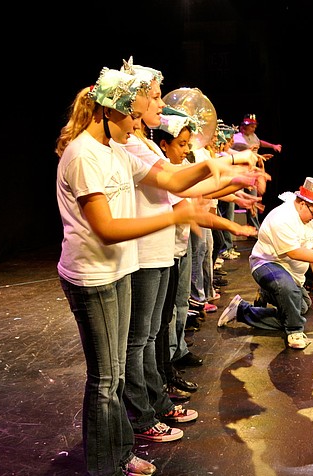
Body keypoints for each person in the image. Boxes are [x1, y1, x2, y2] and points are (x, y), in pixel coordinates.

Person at [55, 63, 228, 476]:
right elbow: (106, 229)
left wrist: (225, 166)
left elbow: (169, 178)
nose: (138, 122)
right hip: (93, 277)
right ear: (108, 111)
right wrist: (176, 215)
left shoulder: (115, 149)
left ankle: (119, 453)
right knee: (106, 380)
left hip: (117, 272)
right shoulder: (83, 155)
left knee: (113, 377)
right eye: (132, 113)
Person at [118, 66, 263, 444]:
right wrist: (228, 165)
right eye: (153, 95)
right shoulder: (129, 146)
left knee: (152, 335)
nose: (158, 102)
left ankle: (155, 398)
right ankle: (143, 411)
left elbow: (180, 182)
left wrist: (232, 173)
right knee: (140, 341)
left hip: (161, 250)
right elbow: (177, 183)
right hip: (145, 254)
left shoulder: (145, 145)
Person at [217, 178, 313, 350]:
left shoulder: (312, 218)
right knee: (290, 298)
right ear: (302, 203)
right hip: (267, 264)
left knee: (300, 308)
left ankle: (243, 310)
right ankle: (294, 332)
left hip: (292, 272)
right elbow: (294, 252)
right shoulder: (283, 217)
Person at [230, 113, 280, 230]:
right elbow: (229, 150)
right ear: (244, 126)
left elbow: (259, 142)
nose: (254, 128)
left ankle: (255, 227)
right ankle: (231, 227)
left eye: (254, 126)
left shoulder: (253, 136)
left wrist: (272, 146)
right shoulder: (237, 137)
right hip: (240, 171)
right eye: (251, 126)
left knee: (253, 199)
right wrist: (250, 151)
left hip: (252, 171)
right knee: (235, 198)